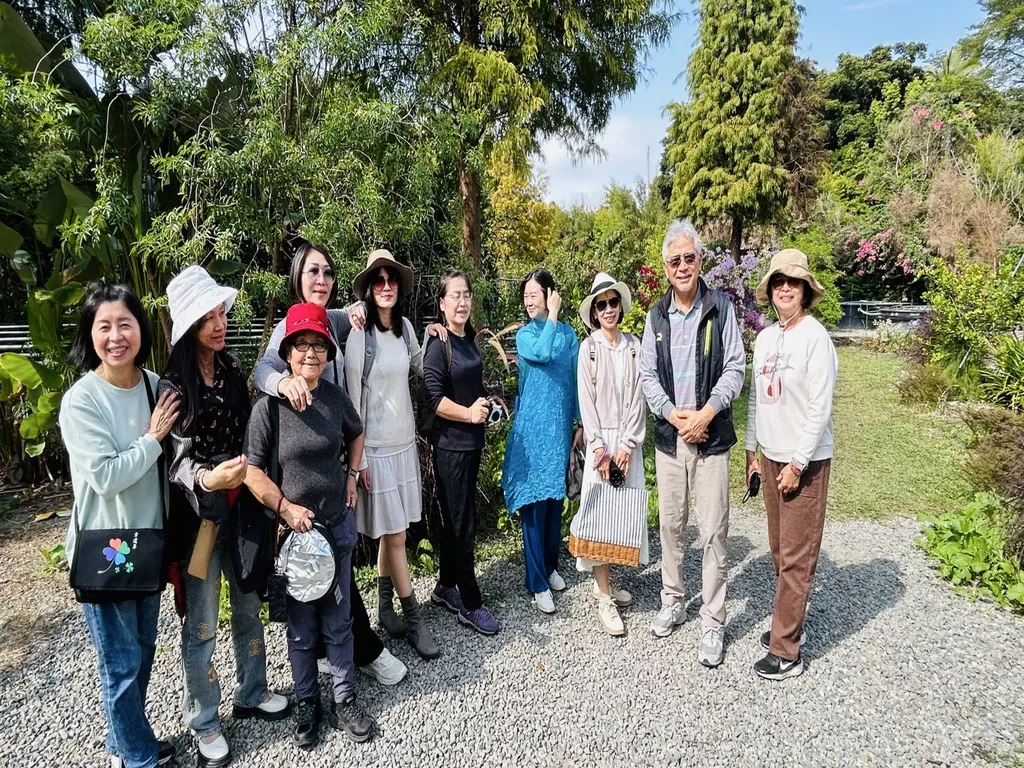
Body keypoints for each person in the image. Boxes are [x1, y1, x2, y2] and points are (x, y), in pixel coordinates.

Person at [252, 242, 408, 687]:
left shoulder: (333, 319)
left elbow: (367, 309)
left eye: (328, 273)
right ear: (297, 277)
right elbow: (261, 372)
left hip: (334, 465)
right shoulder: (286, 326)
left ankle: (332, 651)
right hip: (297, 473)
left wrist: (360, 309)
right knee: (325, 567)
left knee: (333, 562)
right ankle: (364, 650)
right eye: (312, 272)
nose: (321, 280)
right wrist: (282, 382)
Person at [161, 265, 288, 768]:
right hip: (200, 518)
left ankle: (252, 690)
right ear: (190, 325)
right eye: (208, 317)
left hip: (244, 506)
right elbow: (173, 459)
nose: (219, 324)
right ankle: (204, 719)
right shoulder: (174, 385)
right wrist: (206, 478)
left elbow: (252, 434)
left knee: (248, 601)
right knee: (202, 620)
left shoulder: (233, 369)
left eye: (221, 314)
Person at [60, 281, 180, 768]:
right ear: (89, 334)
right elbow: (106, 476)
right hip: (104, 550)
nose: (115, 337)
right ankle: (138, 757)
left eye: (124, 324)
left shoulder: (154, 385)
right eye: (104, 326)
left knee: (144, 652)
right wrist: (152, 438)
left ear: (141, 329)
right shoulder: (82, 400)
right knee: (121, 664)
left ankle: (124, 739)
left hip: (148, 542)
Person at [244, 302, 374, 747]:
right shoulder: (269, 407)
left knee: (339, 621)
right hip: (294, 539)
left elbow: (357, 432)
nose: (310, 353)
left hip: (336, 526)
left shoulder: (335, 399)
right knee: (300, 629)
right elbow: (251, 472)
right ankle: (306, 702)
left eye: (318, 345)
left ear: (328, 352)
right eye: (301, 345)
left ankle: (344, 699)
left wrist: (352, 475)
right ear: (287, 353)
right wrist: (285, 508)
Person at [639, 219, 745, 668]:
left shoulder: (720, 308)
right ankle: (673, 599)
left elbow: (735, 367)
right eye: (674, 261)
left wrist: (706, 413)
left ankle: (713, 619)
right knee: (671, 526)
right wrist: (672, 414)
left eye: (689, 258)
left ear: (700, 260)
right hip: (671, 438)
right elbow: (647, 375)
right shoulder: (656, 315)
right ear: (665, 267)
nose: (682, 266)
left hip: (710, 436)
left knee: (714, 530)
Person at [745, 248, 838, 681]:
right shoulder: (765, 338)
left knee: (797, 556)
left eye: (792, 282)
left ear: (804, 289)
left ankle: (786, 651)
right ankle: (789, 622)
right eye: (778, 282)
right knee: (780, 550)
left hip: (805, 461)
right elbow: (756, 399)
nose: (785, 288)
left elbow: (819, 407)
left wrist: (798, 463)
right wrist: (752, 452)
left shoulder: (815, 337)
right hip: (770, 454)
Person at [344, 250, 439, 659]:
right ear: (369, 288)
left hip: (403, 446)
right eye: (378, 280)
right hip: (376, 452)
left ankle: (384, 608)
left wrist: (435, 334)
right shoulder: (358, 336)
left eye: (391, 279)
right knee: (397, 535)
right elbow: (352, 403)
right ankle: (414, 618)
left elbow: (418, 365)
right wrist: (359, 461)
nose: (386, 286)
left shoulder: (404, 329)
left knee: (391, 531)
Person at [422, 270, 501, 635]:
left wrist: (486, 405)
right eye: (454, 295)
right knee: (463, 524)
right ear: (442, 303)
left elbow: (470, 386)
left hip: (471, 443)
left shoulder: (466, 340)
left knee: (457, 520)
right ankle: (471, 603)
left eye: (466, 294)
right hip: (451, 446)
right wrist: (468, 414)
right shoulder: (438, 344)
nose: (462, 301)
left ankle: (445, 586)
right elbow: (434, 398)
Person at [501, 269, 581, 615]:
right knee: (533, 505)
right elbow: (543, 353)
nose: (528, 301)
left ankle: (549, 566)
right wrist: (554, 316)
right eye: (526, 296)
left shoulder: (569, 335)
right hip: (532, 432)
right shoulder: (525, 335)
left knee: (553, 501)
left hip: (559, 429)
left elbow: (576, 380)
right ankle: (536, 582)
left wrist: (580, 421)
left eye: (534, 294)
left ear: (550, 294)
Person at [573, 273, 647, 636]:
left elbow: (640, 396)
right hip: (600, 445)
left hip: (628, 443)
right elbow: (586, 404)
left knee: (621, 516)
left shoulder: (634, 346)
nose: (608, 309)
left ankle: (609, 583)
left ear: (620, 305)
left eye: (612, 302)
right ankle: (603, 595)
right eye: (600, 305)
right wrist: (601, 452)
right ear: (593, 312)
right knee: (600, 516)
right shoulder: (588, 349)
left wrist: (627, 445)